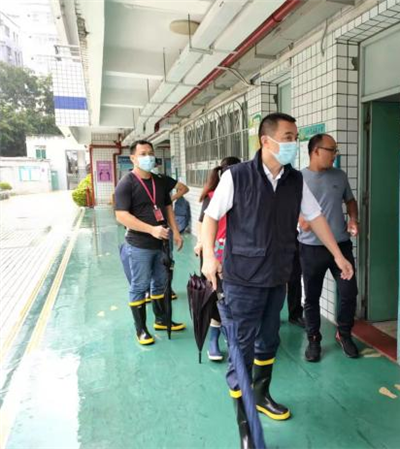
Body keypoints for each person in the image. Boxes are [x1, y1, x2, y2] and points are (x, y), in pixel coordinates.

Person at [201, 113, 354, 446]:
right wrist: (209, 257)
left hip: (277, 277)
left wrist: (338, 255)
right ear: (265, 141)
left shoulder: (294, 180)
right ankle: (245, 423)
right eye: (287, 137)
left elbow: (317, 218)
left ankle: (261, 395)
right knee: (240, 349)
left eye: (295, 137)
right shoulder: (237, 176)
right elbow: (210, 218)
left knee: (268, 341)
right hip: (242, 279)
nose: (293, 143)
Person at [114, 140, 186, 346]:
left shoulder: (159, 181)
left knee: (161, 283)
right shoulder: (126, 183)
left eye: (151, 153)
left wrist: (176, 231)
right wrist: (151, 229)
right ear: (133, 158)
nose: (148, 157)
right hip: (139, 245)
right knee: (140, 285)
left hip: (162, 243)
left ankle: (161, 320)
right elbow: (121, 216)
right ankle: (141, 330)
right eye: (143, 154)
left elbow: (167, 207)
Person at [298, 133, 360, 362]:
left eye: (335, 150)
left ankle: (344, 333)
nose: (335, 154)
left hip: (341, 246)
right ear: (316, 151)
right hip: (311, 247)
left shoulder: (339, 176)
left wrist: (353, 219)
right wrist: (299, 219)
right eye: (331, 150)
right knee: (312, 297)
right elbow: (287, 208)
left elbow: (350, 201)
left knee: (349, 292)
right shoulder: (298, 179)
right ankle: (313, 339)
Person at [194, 156, 241, 362]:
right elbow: (202, 222)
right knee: (216, 297)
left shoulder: (244, 195)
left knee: (234, 298)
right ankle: (213, 340)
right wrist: (201, 243)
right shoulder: (212, 196)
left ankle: (232, 336)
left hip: (238, 255)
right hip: (215, 255)